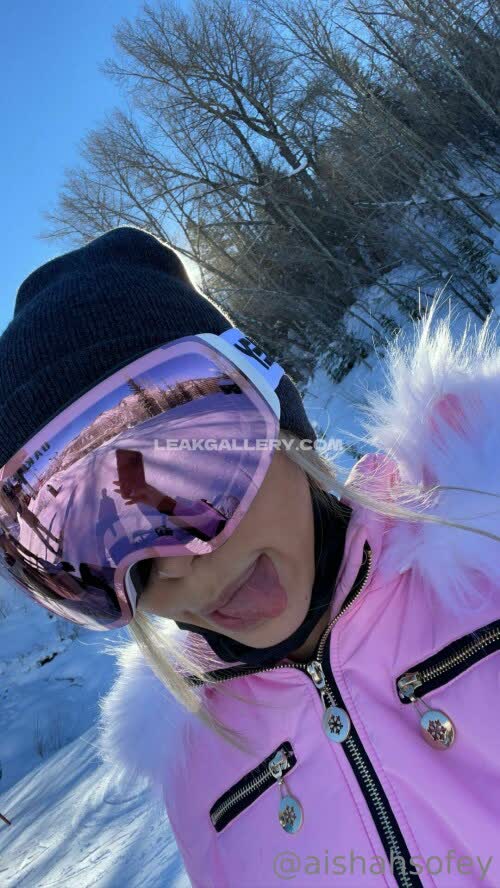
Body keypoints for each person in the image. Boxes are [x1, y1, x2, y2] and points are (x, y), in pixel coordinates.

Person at [0, 227, 498, 887]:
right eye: (99, 548)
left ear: (278, 421)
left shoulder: (484, 551)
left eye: (191, 477)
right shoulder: (197, 772)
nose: (173, 564)